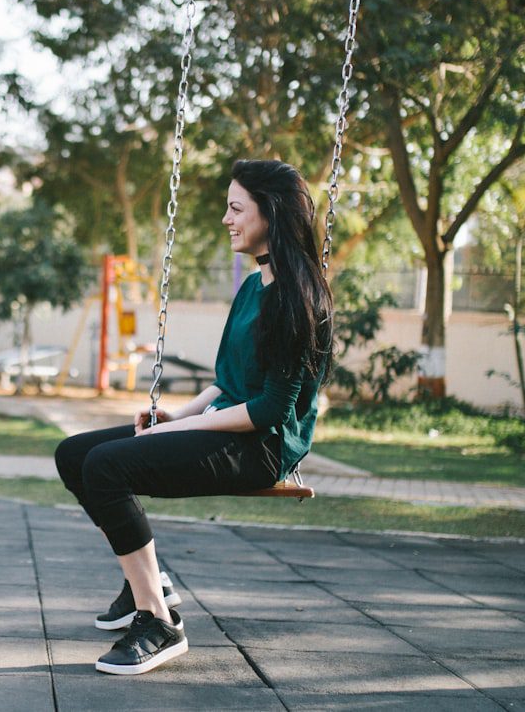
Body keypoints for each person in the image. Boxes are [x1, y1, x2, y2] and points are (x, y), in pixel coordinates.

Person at [54, 160, 332, 675]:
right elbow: (227, 381)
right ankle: (148, 580)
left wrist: (184, 427)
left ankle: (158, 621)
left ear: (269, 213)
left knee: (107, 468)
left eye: (235, 208)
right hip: (228, 422)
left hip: (263, 446)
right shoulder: (253, 287)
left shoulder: (297, 297)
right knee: (75, 455)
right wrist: (175, 413)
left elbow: (270, 409)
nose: (226, 219)